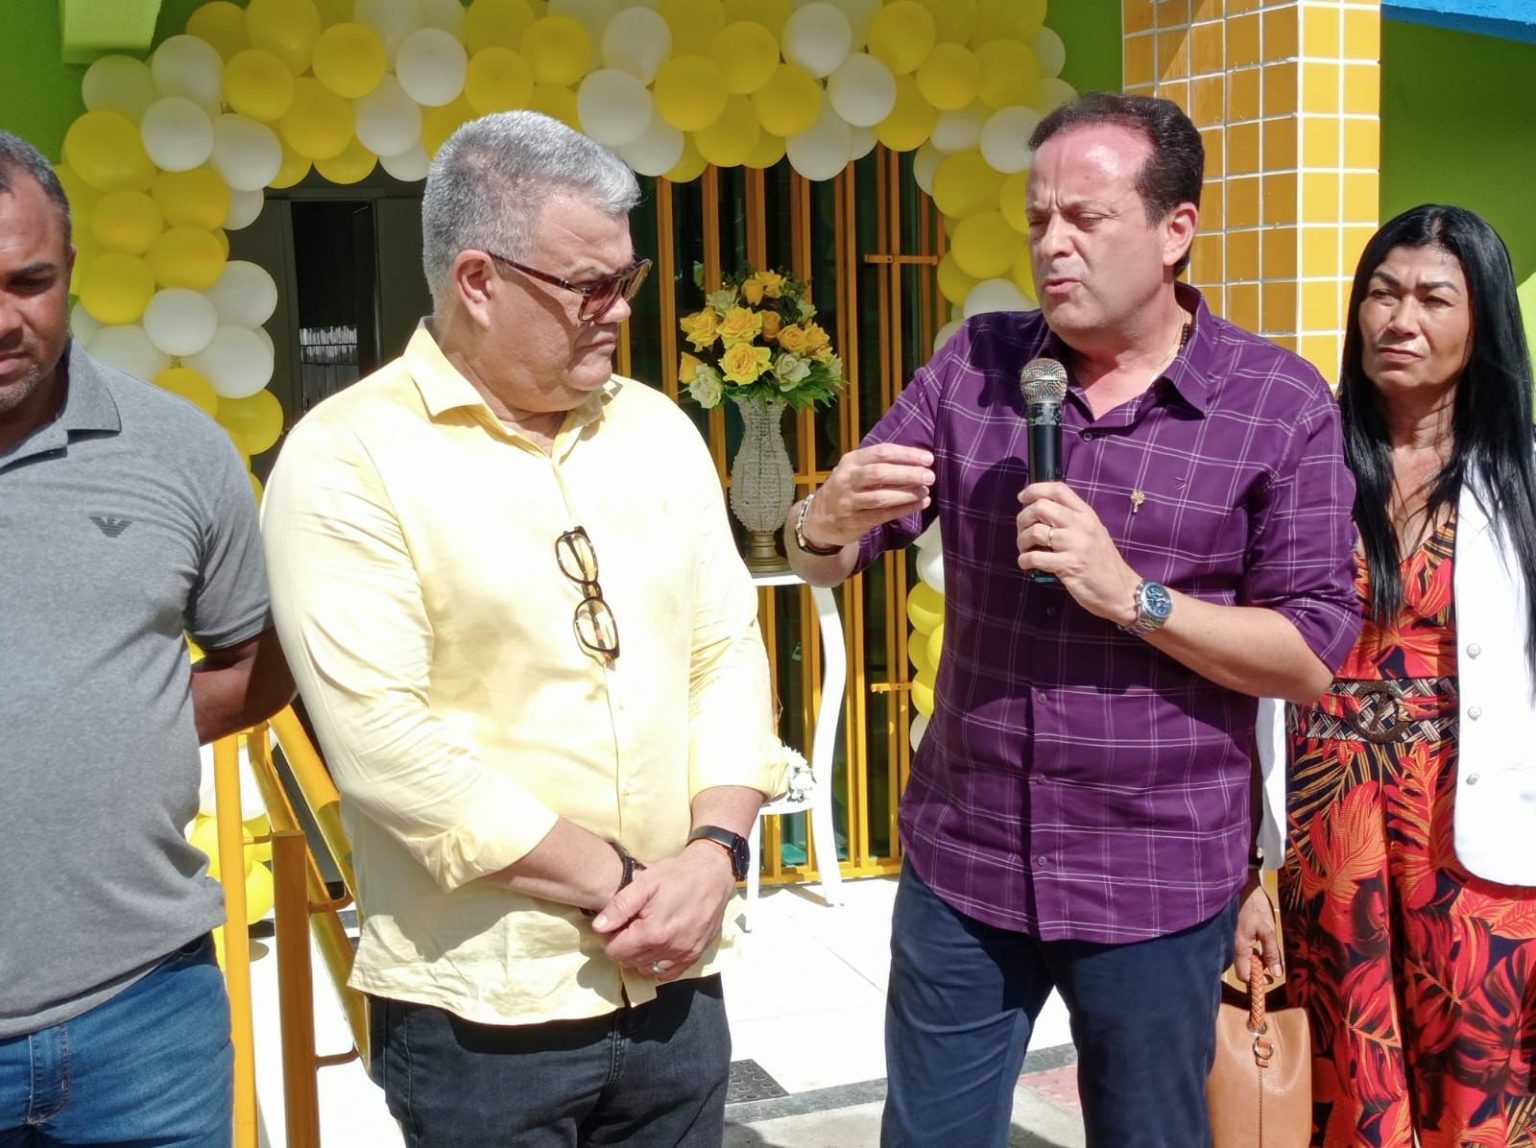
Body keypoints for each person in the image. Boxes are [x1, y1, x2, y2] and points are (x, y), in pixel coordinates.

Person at [785, 92, 1362, 1147]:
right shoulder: (976, 364)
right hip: (966, 860)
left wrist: (1134, 596)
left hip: (1156, 877)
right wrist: (818, 519)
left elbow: (1312, 652)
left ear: (1175, 229)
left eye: (1085, 219)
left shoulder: (1277, 404)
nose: (1052, 244)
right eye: (1038, 218)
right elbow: (834, 549)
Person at [260, 110, 783, 1147]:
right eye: (591, 285)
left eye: (628, 278)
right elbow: (383, 744)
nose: (619, 310)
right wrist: (629, 887)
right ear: (477, 280)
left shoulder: (654, 426)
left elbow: (725, 652)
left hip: (678, 978)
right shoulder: (348, 457)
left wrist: (716, 852)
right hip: (484, 1008)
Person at [0, 130, 292, 1146]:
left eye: (29, 281)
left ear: (71, 269)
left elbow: (258, 665)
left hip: (144, 1021)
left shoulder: (178, 452)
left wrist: (130, 718)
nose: (3, 318)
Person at [1260, 205, 1536, 1148]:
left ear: (1483, 320)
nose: (1399, 320)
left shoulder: (1524, 476)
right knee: (1349, 1081)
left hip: (1476, 829)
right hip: (1326, 826)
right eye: (1382, 293)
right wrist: (1247, 864)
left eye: (1432, 298)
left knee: (1479, 1091)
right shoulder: (1305, 466)